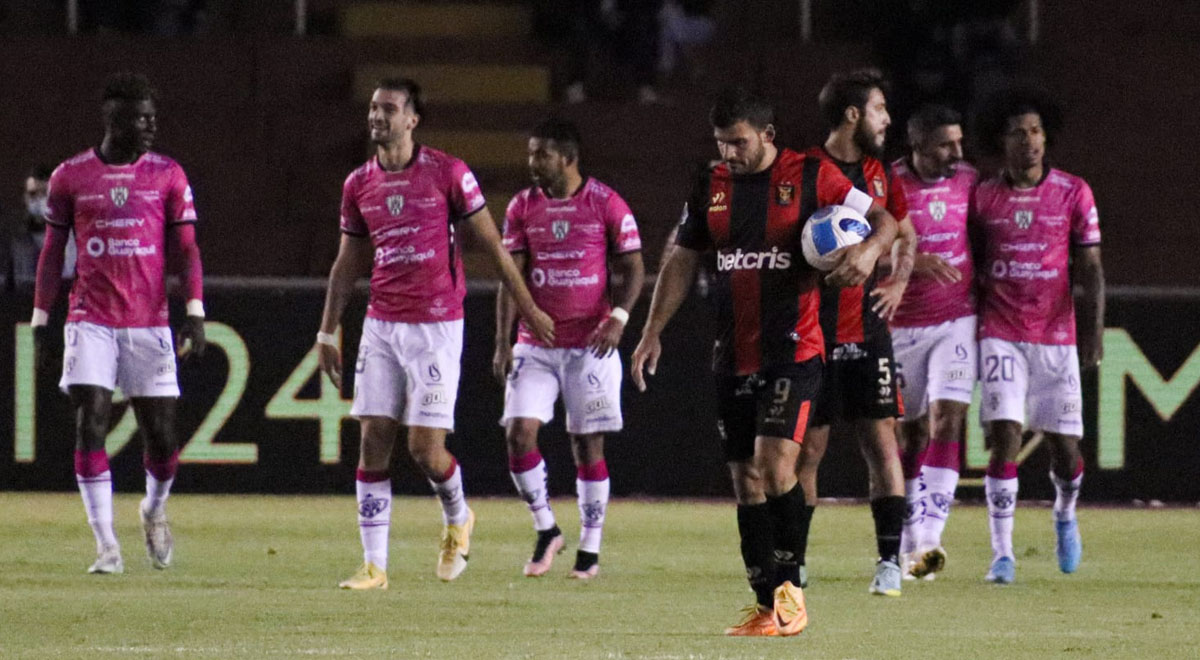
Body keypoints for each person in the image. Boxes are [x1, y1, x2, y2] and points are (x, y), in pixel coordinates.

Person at [631, 87, 898, 637]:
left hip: (794, 347)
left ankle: (791, 592)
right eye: (722, 144)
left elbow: (883, 220)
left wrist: (867, 251)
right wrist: (651, 331)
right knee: (745, 482)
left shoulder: (811, 176)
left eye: (740, 143)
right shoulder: (711, 186)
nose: (730, 154)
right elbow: (682, 259)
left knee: (777, 467)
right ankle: (765, 606)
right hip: (733, 352)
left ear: (768, 135)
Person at [316, 78, 554, 590]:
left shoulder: (448, 173)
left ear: (412, 119)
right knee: (373, 443)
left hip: (436, 327)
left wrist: (529, 309)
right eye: (374, 108)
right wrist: (327, 329)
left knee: (425, 450)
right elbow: (347, 261)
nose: (378, 116)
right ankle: (374, 566)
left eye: (389, 109)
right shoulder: (358, 183)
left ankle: (458, 518)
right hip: (381, 324)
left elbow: (493, 245)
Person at [31, 72, 207, 574]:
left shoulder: (168, 174)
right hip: (91, 319)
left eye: (154, 117)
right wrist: (42, 319)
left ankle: (152, 510)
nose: (151, 126)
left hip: (148, 321)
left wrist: (194, 312)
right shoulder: (71, 177)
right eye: (141, 118)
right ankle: (106, 545)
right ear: (113, 119)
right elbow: (50, 254)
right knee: (92, 420)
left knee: (163, 437)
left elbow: (187, 248)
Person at [493, 119, 645, 579]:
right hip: (534, 345)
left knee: (586, 445)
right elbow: (511, 279)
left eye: (541, 154)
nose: (532, 163)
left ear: (567, 158)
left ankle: (590, 549)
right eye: (530, 154)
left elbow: (635, 267)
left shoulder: (605, 202)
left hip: (589, 344)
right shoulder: (522, 206)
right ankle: (546, 529)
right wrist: (502, 341)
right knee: (519, 434)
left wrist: (618, 317)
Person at [970, 88, 1103, 584]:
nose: (1029, 141)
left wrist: (1092, 330)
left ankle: (1065, 514)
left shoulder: (1074, 192)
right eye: (1018, 132)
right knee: (1005, 436)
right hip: (1001, 330)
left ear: (1046, 138)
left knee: (1065, 449)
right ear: (1001, 142)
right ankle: (1002, 555)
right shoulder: (983, 196)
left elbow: (1091, 269)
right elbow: (972, 262)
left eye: (1036, 131)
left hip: (1056, 335)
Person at [794, 69, 917, 597]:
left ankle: (890, 562)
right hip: (812, 333)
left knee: (881, 443)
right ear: (852, 115)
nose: (887, 119)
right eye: (879, 109)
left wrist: (897, 284)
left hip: (866, 333)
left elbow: (904, 232)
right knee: (807, 453)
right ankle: (792, 564)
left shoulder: (881, 174)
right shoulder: (803, 172)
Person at [889, 104, 978, 580]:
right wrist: (912, 261)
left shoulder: (968, 180)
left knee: (949, 418)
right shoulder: (887, 185)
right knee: (911, 432)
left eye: (958, 143)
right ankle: (907, 542)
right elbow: (858, 251)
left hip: (955, 320)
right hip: (901, 325)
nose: (956, 153)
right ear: (918, 145)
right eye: (946, 144)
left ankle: (930, 539)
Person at [5, 165, 77, 289]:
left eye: (45, 194)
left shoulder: (73, 239)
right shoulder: (16, 243)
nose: (39, 201)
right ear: (25, 197)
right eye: (33, 194)